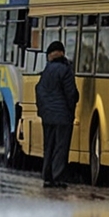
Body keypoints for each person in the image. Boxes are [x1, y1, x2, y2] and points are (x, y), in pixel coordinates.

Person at [35, 41, 79, 188]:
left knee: (49, 146)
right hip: (63, 116)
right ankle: (58, 177)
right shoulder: (65, 70)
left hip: (47, 116)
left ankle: (47, 176)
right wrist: (70, 110)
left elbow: (39, 90)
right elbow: (71, 93)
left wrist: (43, 110)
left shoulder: (46, 70)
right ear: (62, 52)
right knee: (61, 147)